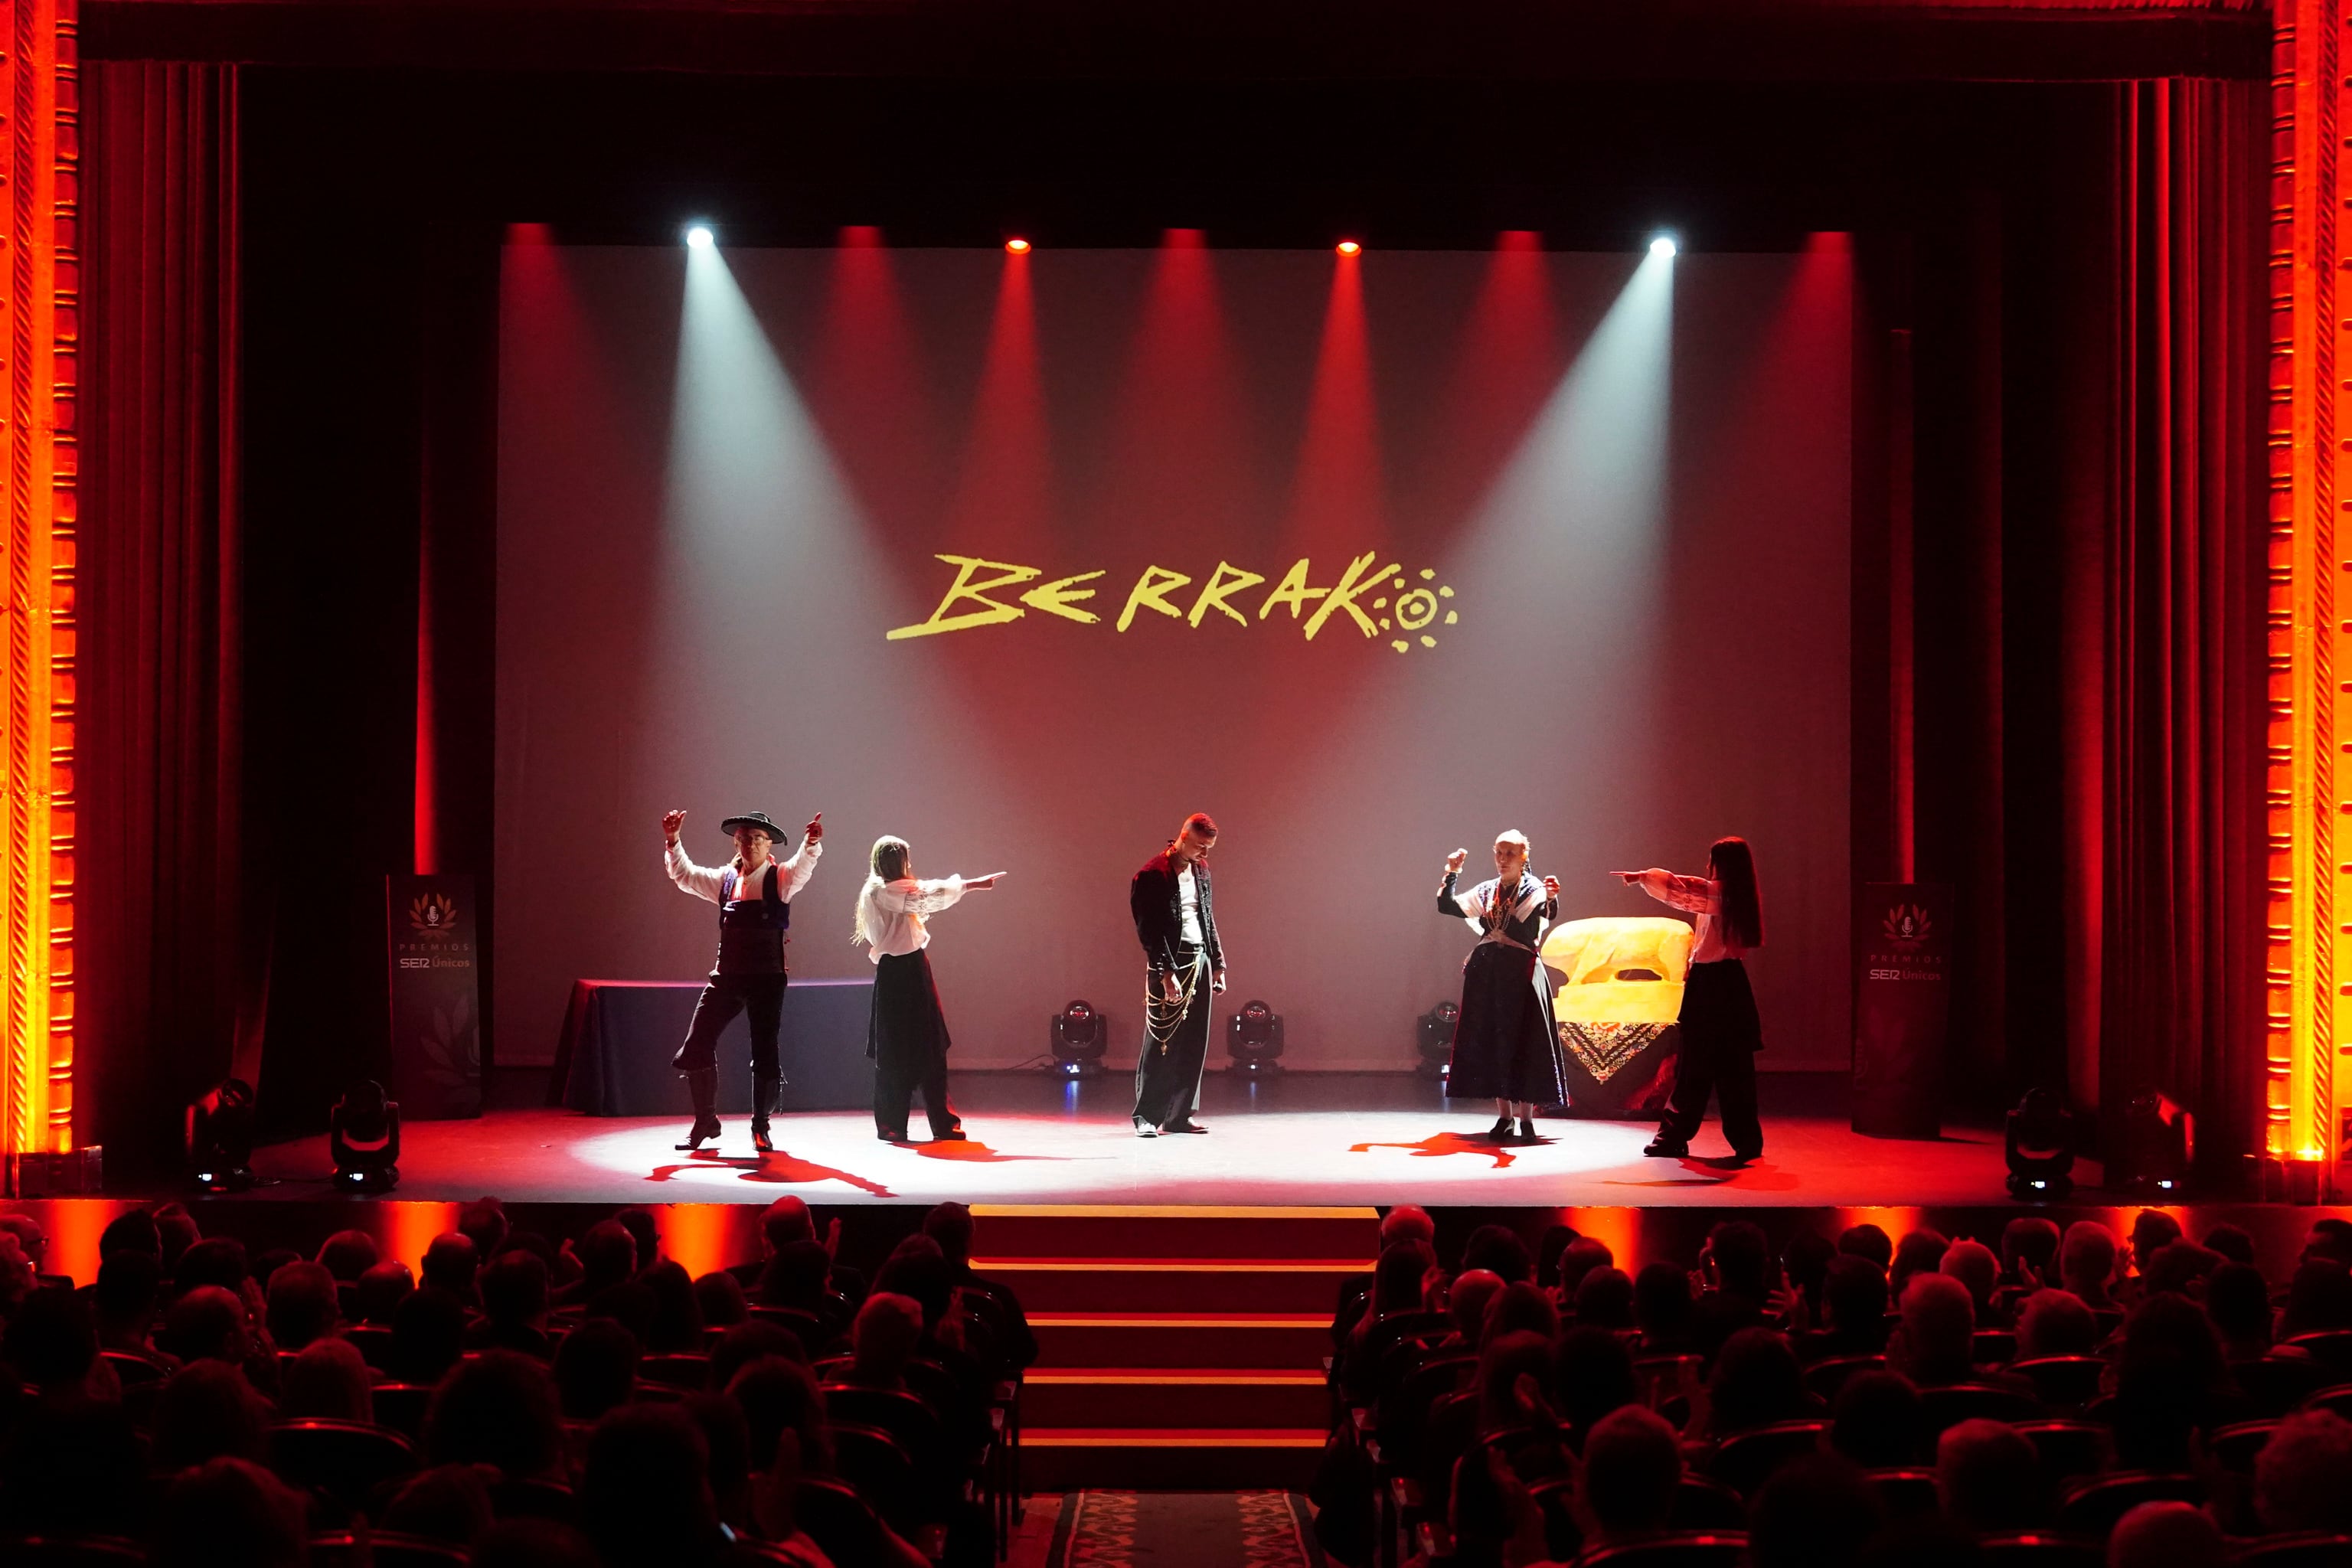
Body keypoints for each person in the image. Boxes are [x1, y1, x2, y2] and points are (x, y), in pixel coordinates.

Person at [662, 805, 825, 1153]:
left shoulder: (780, 878)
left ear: (769, 845)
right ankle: (705, 1121)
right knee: (696, 1045)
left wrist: (810, 843)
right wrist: (673, 840)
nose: (749, 844)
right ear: (736, 843)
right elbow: (686, 876)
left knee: (764, 1052)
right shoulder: (725, 880)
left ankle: (760, 1127)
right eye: (744, 839)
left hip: (766, 978)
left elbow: (802, 867)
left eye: (756, 839)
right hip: (728, 977)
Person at [1621, 835, 1766, 1162]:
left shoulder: (1720, 894)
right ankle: (1746, 1142)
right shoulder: (1732, 895)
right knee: (1734, 1070)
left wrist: (1643, 877)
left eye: (1712, 860)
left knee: (1695, 1067)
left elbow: (1678, 890)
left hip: (1715, 985)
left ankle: (1674, 1137)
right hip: (1728, 984)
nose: (1707, 867)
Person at [851, 835, 1002, 1142]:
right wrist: (972, 884)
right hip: (897, 971)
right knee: (896, 1051)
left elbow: (922, 892)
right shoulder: (880, 891)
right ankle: (895, 1124)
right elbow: (925, 892)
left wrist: (970, 886)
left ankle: (937, 1124)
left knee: (930, 1046)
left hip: (911, 967)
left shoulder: (887, 891)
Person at [1437, 830, 1566, 1142]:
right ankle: (1504, 1117)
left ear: (1524, 856)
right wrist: (1452, 872)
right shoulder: (1487, 891)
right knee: (1495, 1041)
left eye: (1510, 853)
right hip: (1489, 976)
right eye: (1499, 852)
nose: (1503, 859)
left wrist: (1552, 897)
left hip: (1520, 975)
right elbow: (1448, 906)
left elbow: (1546, 913)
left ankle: (1527, 1120)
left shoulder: (1534, 891)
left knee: (1525, 1041)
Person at [1129, 812, 1227, 1136]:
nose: (1205, 853)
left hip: (1198, 960)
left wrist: (1218, 964)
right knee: (1161, 1040)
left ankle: (1179, 1115)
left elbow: (1207, 917)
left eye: (1209, 847)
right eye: (1200, 846)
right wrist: (1165, 972)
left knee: (1194, 1041)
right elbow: (1150, 932)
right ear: (1183, 836)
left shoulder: (1201, 870)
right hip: (1170, 963)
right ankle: (1147, 1116)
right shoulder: (1151, 875)